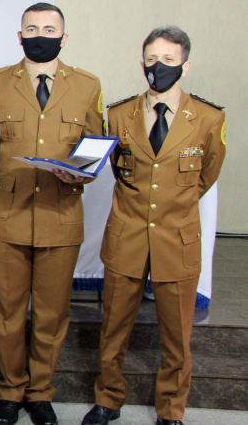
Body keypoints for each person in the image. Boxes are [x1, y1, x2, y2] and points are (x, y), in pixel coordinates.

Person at [82, 27, 226, 425]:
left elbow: (205, 176)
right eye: (151, 59)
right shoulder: (118, 115)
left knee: (177, 337)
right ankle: (108, 400)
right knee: (113, 329)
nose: (157, 66)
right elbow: (117, 170)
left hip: (176, 241)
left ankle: (171, 410)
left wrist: (171, 205)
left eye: (168, 59)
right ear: (141, 62)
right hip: (127, 236)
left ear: (185, 65)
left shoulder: (209, 117)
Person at [0, 3, 103, 425]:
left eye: (49, 29)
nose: (39, 35)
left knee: (51, 313)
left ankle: (40, 393)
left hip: (60, 213)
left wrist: (81, 173)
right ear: (19, 36)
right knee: (8, 312)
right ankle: (11, 391)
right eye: (31, 29)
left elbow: (95, 148)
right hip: (7, 214)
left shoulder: (87, 85)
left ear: (64, 37)